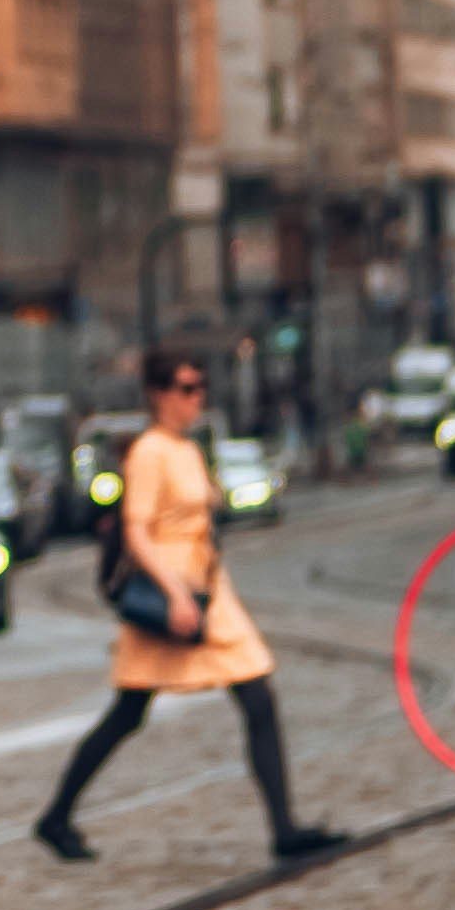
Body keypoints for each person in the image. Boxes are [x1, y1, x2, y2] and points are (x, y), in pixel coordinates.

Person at [32, 343, 347, 868]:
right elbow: (136, 531)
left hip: (208, 590)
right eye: (185, 388)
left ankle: (285, 828)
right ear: (158, 394)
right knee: (129, 711)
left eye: (201, 387)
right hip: (171, 593)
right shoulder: (150, 451)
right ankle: (56, 815)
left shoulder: (186, 448)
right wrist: (176, 595)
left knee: (257, 697)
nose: (196, 398)